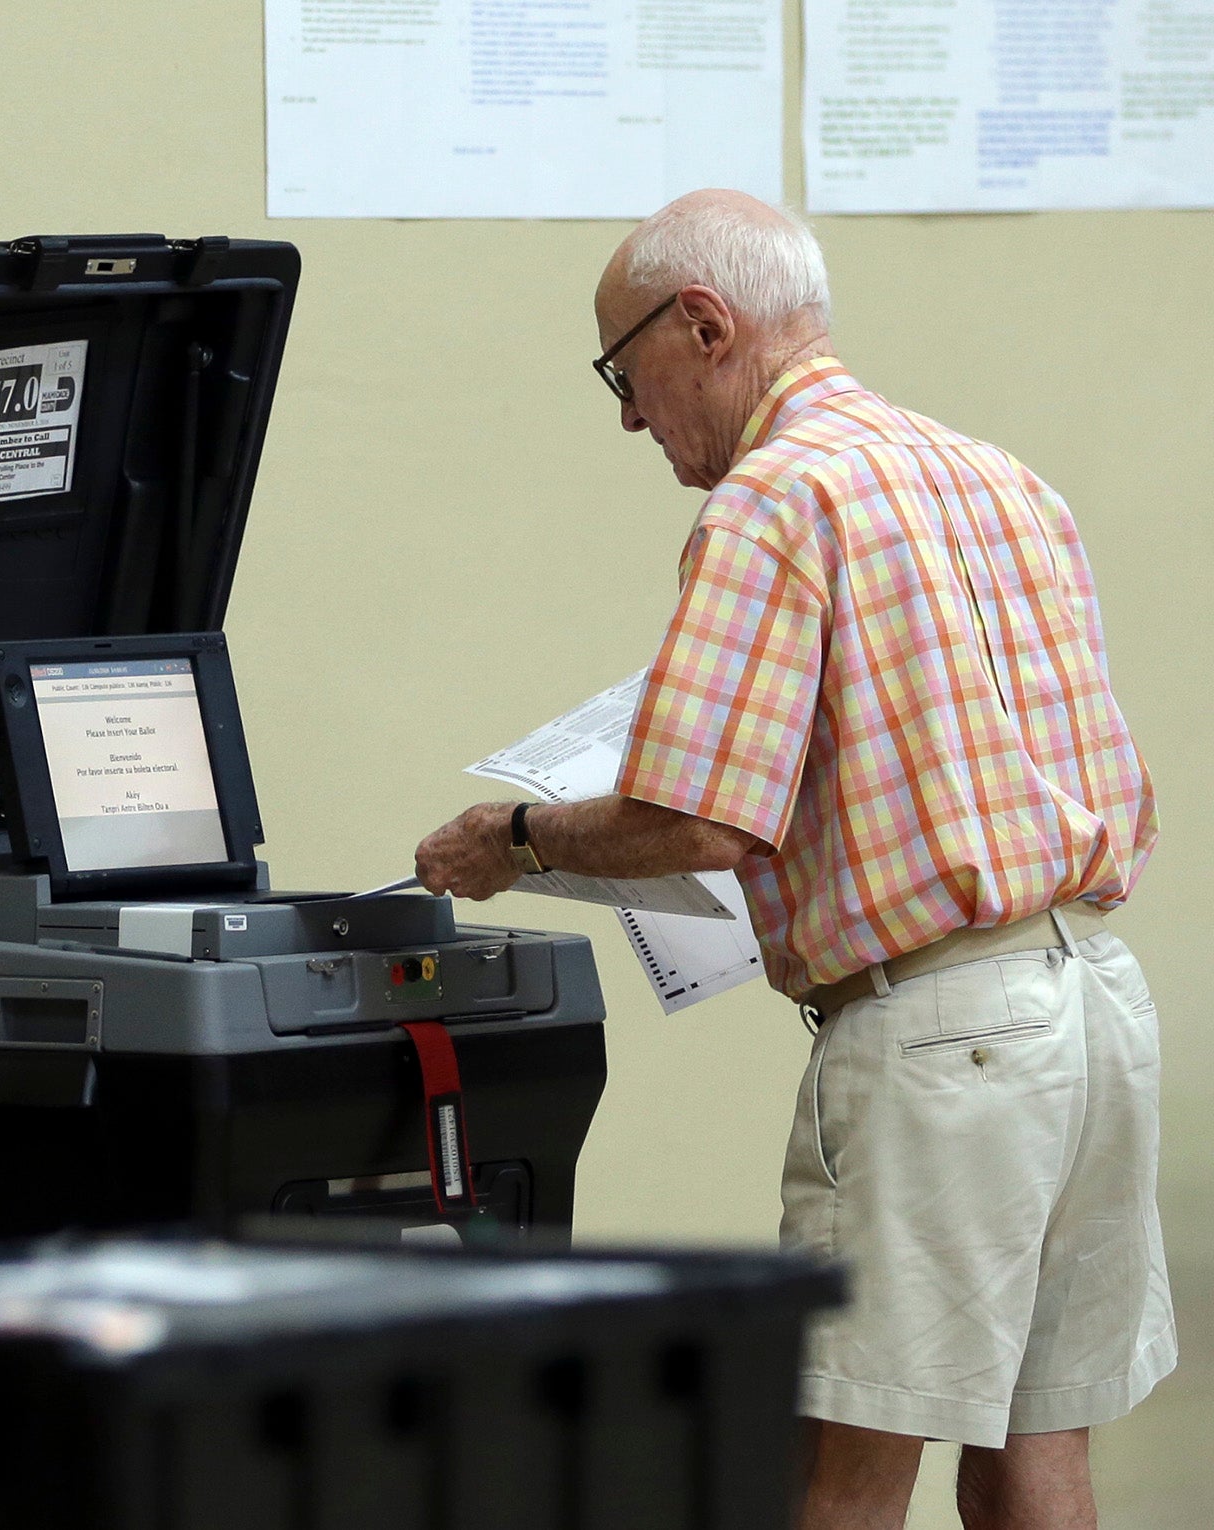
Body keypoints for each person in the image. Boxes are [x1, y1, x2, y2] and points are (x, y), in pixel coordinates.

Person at [414, 190, 1172, 1530]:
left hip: (945, 1045)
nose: (632, 416)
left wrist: (514, 838)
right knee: (1038, 1458)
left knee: (835, 1474)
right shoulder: (1000, 478)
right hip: (1096, 1008)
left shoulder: (775, 500)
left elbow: (700, 820)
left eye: (623, 371)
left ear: (701, 325)